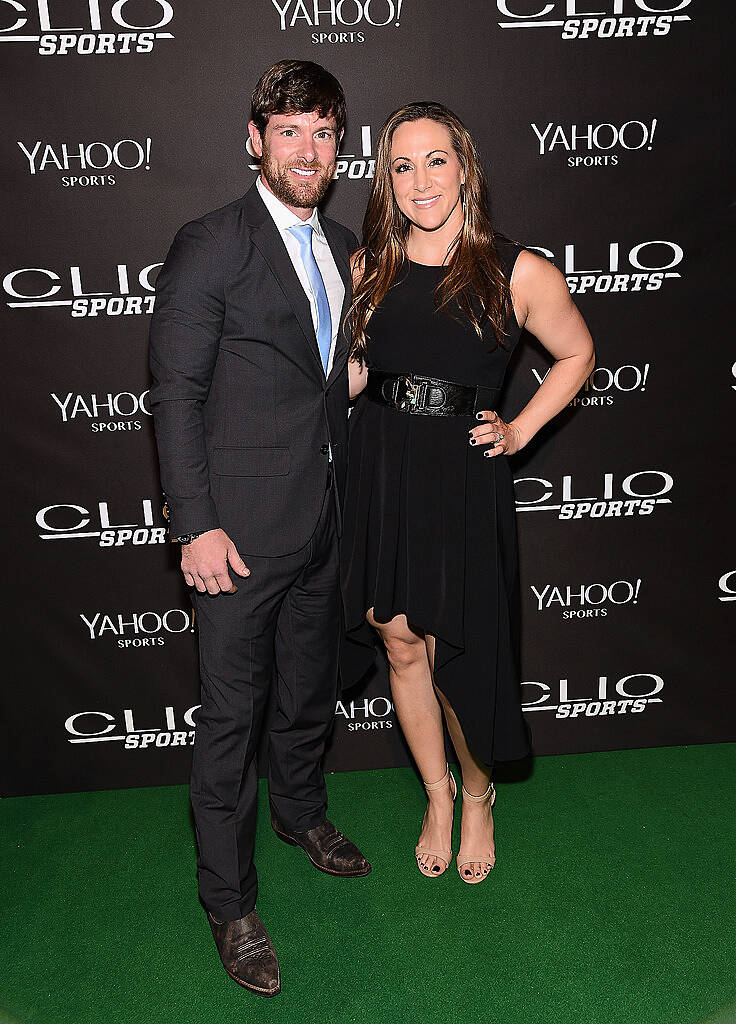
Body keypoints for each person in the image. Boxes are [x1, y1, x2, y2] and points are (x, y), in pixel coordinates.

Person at [148, 60, 370, 998]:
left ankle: (303, 813)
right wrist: (194, 526)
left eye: (323, 132)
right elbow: (177, 395)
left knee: (308, 689)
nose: (308, 150)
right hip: (236, 533)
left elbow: (327, 374)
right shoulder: (212, 243)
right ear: (255, 140)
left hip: (322, 520)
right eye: (289, 132)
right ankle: (230, 903)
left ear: (339, 143)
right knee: (232, 723)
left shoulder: (344, 242)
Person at [341, 101, 595, 884]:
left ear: (465, 168)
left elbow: (578, 351)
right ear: (386, 179)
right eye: (402, 165)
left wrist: (519, 430)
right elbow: (354, 375)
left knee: (460, 648)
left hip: (459, 476)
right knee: (399, 640)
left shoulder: (517, 270)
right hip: (378, 466)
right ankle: (438, 794)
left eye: (436, 160)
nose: (421, 179)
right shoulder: (367, 266)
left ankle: (480, 794)